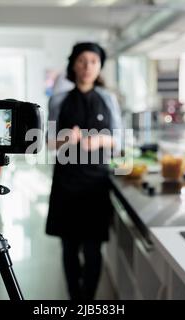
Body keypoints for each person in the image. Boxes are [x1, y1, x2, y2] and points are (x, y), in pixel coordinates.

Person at [46, 42, 122, 300]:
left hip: (95, 184)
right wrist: (65, 138)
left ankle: (87, 300)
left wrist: (101, 140)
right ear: (73, 65)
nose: (88, 66)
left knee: (92, 249)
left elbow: (119, 140)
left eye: (93, 61)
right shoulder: (58, 99)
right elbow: (47, 141)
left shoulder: (108, 98)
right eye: (82, 61)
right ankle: (74, 298)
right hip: (67, 182)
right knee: (69, 248)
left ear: (99, 66)